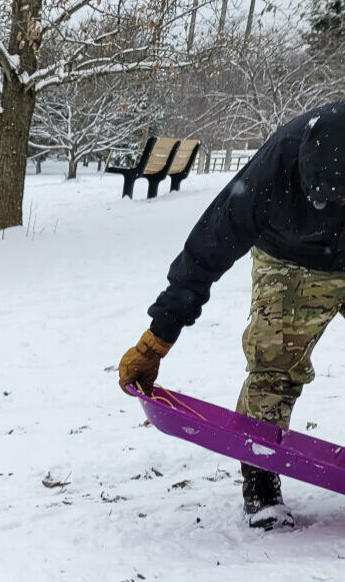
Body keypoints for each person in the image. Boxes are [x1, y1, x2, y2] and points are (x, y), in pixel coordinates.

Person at [118, 101, 345, 529]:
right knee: (275, 367)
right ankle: (261, 479)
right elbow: (204, 254)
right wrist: (157, 340)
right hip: (292, 260)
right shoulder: (272, 170)